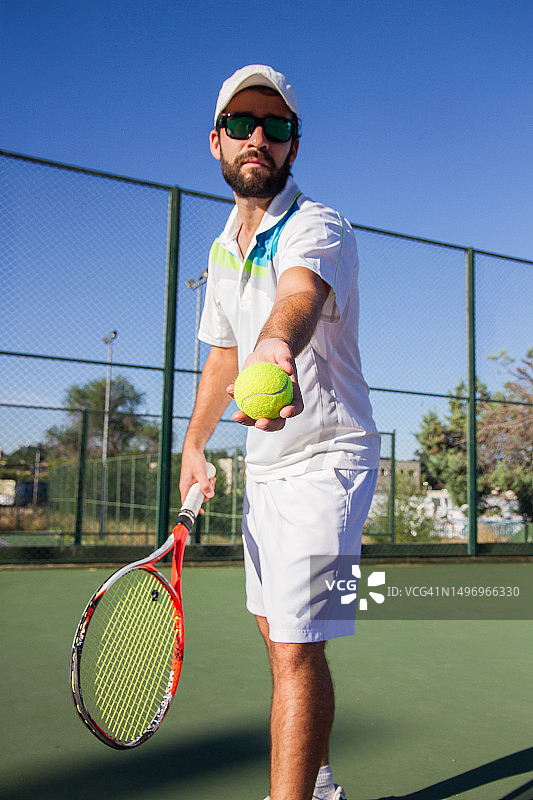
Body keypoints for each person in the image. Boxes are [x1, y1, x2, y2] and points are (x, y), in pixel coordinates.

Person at [179, 65, 380, 800]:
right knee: (278, 637)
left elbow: (295, 297)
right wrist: (195, 444)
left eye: (276, 126)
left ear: (294, 146)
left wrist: (275, 347)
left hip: (330, 458)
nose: (257, 137)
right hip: (265, 463)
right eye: (241, 124)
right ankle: (319, 784)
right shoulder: (222, 248)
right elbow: (222, 355)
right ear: (216, 142)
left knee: (296, 643)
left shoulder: (318, 224)